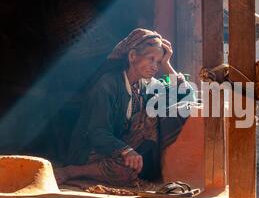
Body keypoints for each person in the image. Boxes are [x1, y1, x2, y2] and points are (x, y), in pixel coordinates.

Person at [54, 28, 194, 187]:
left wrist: (167, 63)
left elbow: (187, 96)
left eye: (158, 62)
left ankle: (129, 164)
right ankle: (73, 171)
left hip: (120, 149)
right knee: (126, 172)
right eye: (151, 59)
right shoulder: (107, 85)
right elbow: (97, 132)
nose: (155, 66)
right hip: (92, 151)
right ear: (133, 56)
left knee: (154, 111)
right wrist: (127, 151)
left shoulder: (147, 85)